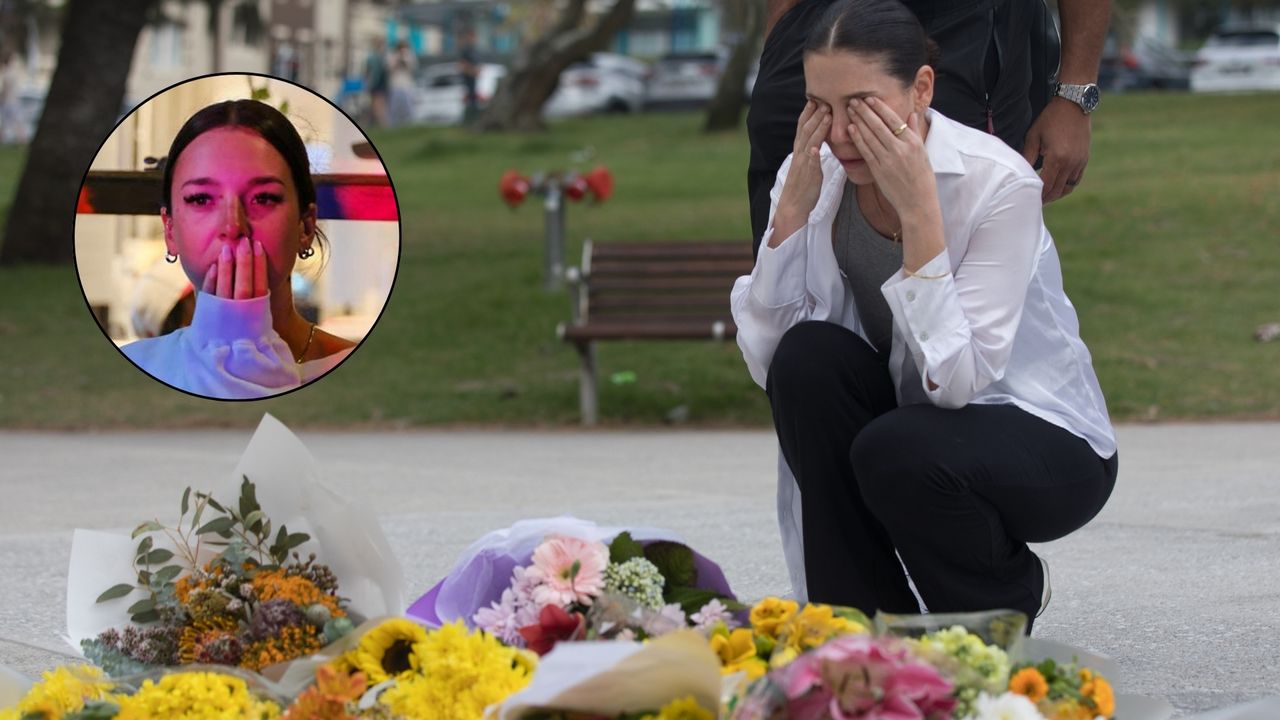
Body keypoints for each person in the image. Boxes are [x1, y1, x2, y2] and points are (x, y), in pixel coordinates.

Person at [730, 0, 1116, 627]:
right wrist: (788, 224)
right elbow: (770, 365)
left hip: (1044, 440)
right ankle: (858, 623)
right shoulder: (813, 173)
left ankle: (996, 603)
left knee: (896, 447)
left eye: (862, 105)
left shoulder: (997, 183)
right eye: (819, 107)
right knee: (807, 362)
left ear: (922, 90)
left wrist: (920, 219)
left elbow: (958, 379)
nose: (838, 133)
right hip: (916, 423)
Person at [748, 0, 1109, 254]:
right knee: (789, 294)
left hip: (961, 30)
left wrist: (1076, 94)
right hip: (810, 29)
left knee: (952, 282)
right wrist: (780, 37)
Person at [122, 99, 356, 399]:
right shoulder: (138, 367)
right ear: (170, 229)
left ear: (306, 227)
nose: (233, 226)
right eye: (201, 200)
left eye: (264, 198)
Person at [458, 27, 481, 124]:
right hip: (467, 79)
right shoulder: (466, 50)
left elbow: (478, 64)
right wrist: (471, 70)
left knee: (474, 100)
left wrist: (478, 71)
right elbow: (461, 65)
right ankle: (468, 120)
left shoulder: (475, 50)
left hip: (474, 79)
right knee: (469, 101)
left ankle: (473, 120)